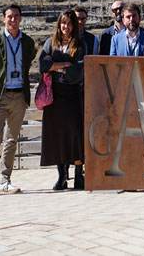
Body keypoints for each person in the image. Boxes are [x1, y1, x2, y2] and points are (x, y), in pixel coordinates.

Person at [0, 4, 36, 198]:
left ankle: (5, 181)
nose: (13, 20)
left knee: (11, 141)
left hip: (19, 96)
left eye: (17, 16)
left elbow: (28, 63)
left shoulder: (27, 42)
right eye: (10, 17)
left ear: (21, 19)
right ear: (3, 19)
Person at [39, 10, 86, 191]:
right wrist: (62, 65)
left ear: (74, 26)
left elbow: (77, 73)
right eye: (63, 23)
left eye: (69, 23)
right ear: (59, 24)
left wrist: (53, 66)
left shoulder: (79, 45)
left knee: (75, 135)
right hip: (55, 96)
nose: (65, 27)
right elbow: (42, 65)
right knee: (58, 136)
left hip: (73, 95)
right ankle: (62, 176)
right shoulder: (50, 43)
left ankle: (79, 175)